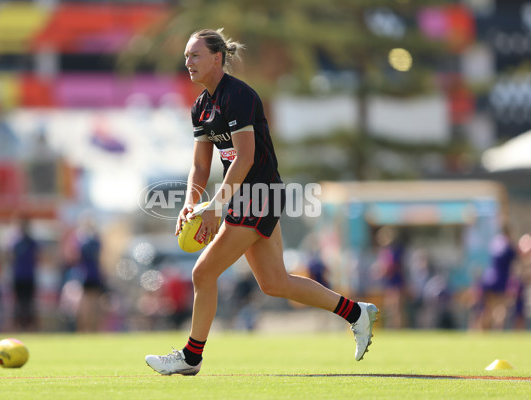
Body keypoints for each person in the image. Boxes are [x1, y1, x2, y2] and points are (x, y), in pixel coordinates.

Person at [145, 28, 379, 376]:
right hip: (245, 197)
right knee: (275, 283)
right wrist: (190, 205)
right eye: (186, 56)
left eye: (195, 55)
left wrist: (215, 207)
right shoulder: (201, 107)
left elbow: (245, 158)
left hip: (260, 195)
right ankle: (356, 313)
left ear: (217, 58)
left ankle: (191, 357)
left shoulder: (238, 96)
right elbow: (199, 165)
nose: (188, 62)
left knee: (202, 273)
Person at [7, 214, 39, 331]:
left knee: (29, 303)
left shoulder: (31, 241)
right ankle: (18, 327)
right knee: (18, 304)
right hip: (18, 276)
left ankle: (29, 327)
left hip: (29, 276)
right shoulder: (14, 241)